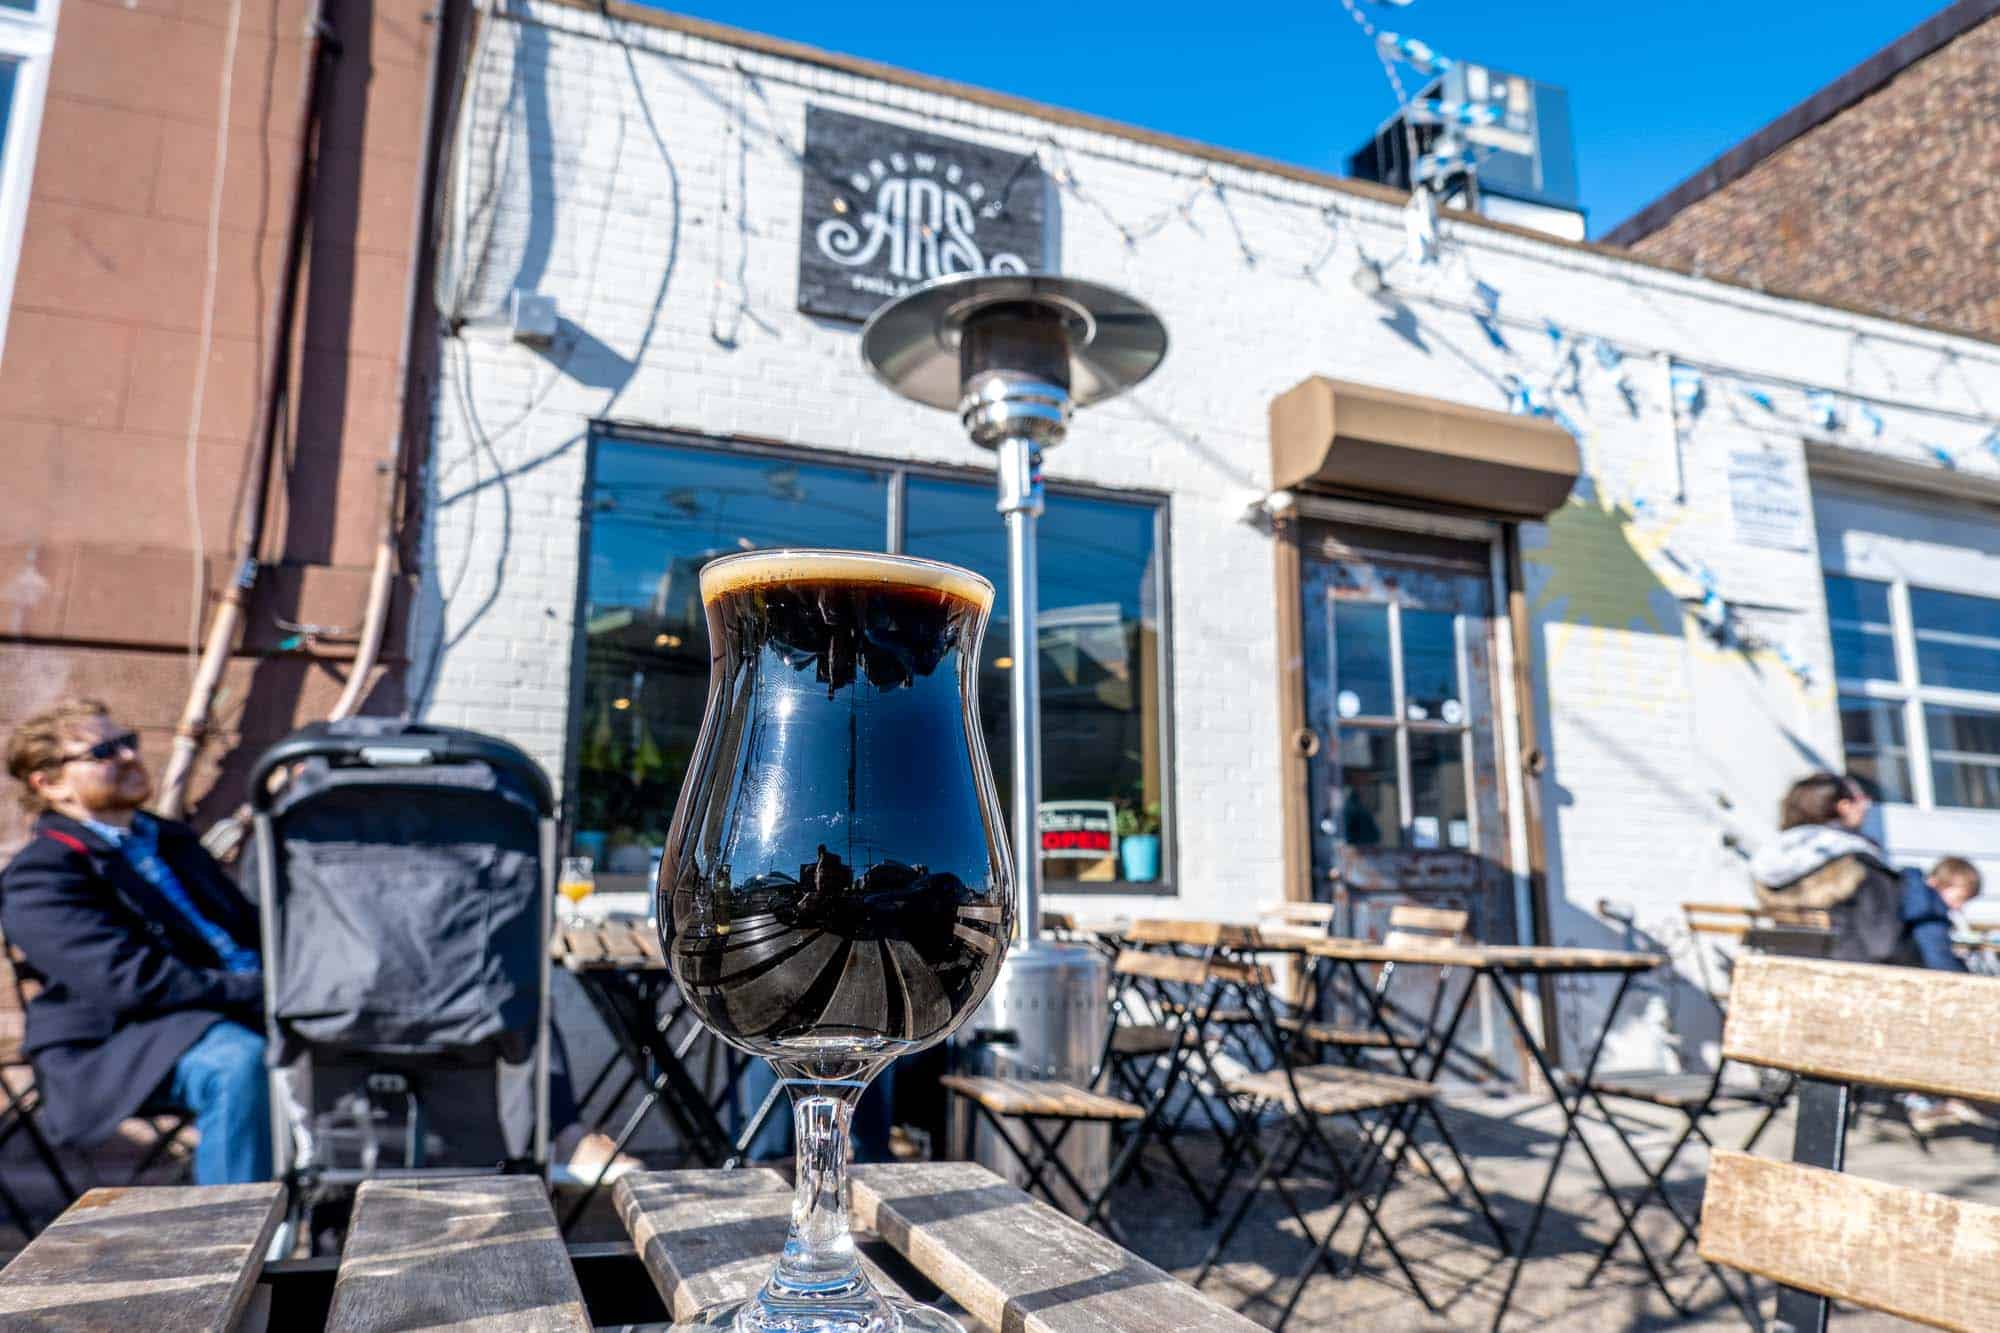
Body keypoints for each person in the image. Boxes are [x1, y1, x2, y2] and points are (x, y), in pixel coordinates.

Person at [1, 699, 636, 1186]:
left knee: (491, 985)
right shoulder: (41, 875)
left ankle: (548, 1141)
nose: (129, 755)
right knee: (237, 1062)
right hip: (130, 1041)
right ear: (50, 783)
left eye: (128, 741)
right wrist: (270, 989)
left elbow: (258, 922)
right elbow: (131, 985)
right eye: (104, 751)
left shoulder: (165, 838)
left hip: (249, 998)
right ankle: (230, 1236)